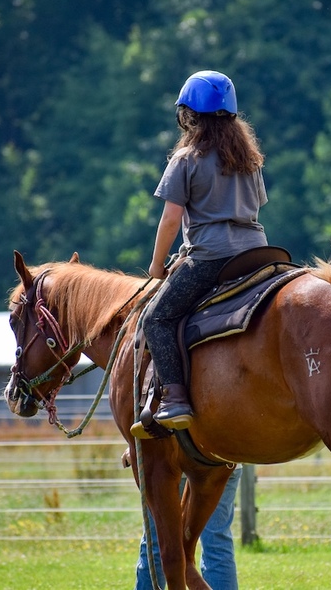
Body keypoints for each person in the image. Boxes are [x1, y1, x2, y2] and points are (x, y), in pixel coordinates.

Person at [137, 70, 268, 433]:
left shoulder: (186, 159)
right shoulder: (249, 159)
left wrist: (157, 264)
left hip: (211, 257)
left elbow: (170, 219)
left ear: (189, 115)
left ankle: (176, 399)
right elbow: (255, 207)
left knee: (156, 319)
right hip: (258, 253)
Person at [134, 465, 242, 590]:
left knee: (158, 542)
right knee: (217, 543)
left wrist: (135, 448)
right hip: (223, 462)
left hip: (169, 465)